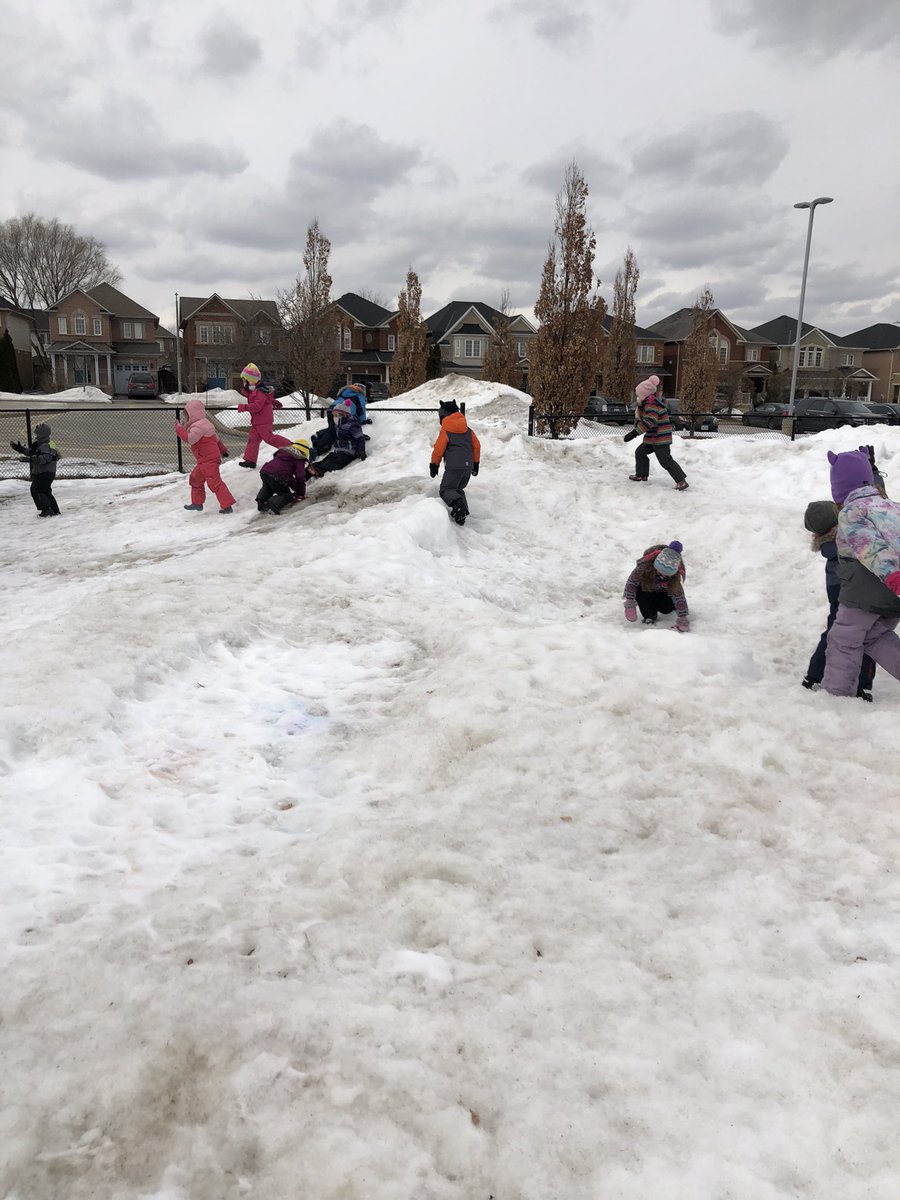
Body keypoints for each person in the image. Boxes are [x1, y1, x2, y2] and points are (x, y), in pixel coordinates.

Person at [820, 448, 900, 697]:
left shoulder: (852, 512)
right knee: (874, 635)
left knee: (844, 638)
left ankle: (836, 694)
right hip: (891, 595)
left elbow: (871, 547)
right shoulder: (893, 506)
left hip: (869, 588)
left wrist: (893, 576)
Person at [802, 499, 876, 700]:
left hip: (838, 594)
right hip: (855, 593)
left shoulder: (828, 545)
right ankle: (861, 685)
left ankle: (814, 675)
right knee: (865, 636)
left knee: (833, 633)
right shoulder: (847, 540)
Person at [623, 375, 688, 490]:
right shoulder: (648, 403)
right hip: (652, 438)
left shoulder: (652, 404)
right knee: (640, 452)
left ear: (644, 394)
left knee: (665, 460)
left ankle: (681, 481)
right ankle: (641, 475)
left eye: (638, 394)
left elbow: (650, 421)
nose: (637, 397)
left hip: (660, 438)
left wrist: (634, 433)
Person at [175, 398, 236, 514]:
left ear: (193, 414)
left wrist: (179, 430)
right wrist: (223, 450)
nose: (185, 418)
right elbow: (217, 440)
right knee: (195, 479)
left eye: (187, 415)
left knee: (214, 483)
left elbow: (190, 439)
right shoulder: (205, 424)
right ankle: (197, 504)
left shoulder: (199, 426)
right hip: (204, 460)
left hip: (209, 461)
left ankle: (227, 506)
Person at [430, 399, 481, 526]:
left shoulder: (446, 431)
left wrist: (434, 464)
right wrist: (475, 463)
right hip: (467, 467)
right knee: (458, 489)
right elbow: (477, 446)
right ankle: (461, 516)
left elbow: (438, 448)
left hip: (453, 467)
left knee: (446, 489)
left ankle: (459, 507)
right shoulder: (468, 430)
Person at [623, 541, 690, 631]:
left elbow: (679, 596)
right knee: (645, 603)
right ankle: (650, 615)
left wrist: (683, 618)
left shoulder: (674, 578)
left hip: (664, 593)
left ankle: (667, 607)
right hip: (647, 591)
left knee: (666, 609)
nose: (663, 576)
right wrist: (630, 602)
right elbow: (631, 583)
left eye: (667, 575)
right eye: (661, 572)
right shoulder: (643, 568)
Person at [236, 362, 291, 467]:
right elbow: (267, 399)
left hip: (263, 420)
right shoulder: (256, 391)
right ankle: (250, 461)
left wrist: (244, 407)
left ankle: (290, 446)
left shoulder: (259, 392)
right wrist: (274, 402)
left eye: (245, 379)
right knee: (253, 439)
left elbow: (257, 406)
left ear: (251, 380)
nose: (244, 382)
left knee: (269, 438)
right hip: (258, 421)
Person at [10, 423, 61, 517]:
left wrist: (30, 459)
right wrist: (20, 449)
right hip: (44, 472)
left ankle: (47, 510)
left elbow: (45, 458)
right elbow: (31, 452)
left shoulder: (46, 445)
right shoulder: (40, 445)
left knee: (36, 490)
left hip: (45, 473)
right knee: (45, 491)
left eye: (37, 434)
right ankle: (54, 510)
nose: (36, 436)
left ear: (42, 435)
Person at [306, 397, 367, 476]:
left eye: (336, 415)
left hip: (348, 452)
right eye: (334, 415)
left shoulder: (352, 425)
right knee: (328, 458)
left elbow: (360, 438)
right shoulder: (338, 425)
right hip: (338, 450)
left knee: (333, 463)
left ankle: (319, 471)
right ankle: (312, 468)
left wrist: (361, 451)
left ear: (343, 415)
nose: (334, 418)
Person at [256, 439, 312, 516]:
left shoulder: (283, 451)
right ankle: (272, 505)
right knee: (286, 495)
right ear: (305, 452)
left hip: (265, 471)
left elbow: (288, 477)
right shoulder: (299, 459)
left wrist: (297, 489)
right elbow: (300, 477)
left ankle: (261, 501)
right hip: (278, 476)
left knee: (268, 487)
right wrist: (301, 493)